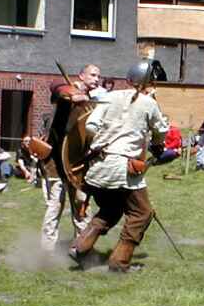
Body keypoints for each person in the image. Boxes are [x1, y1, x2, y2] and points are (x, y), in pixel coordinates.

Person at [69, 60, 169, 272]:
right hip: (122, 168)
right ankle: (119, 263)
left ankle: (80, 248)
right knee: (142, 213)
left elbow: (91, 126)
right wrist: (157, 144)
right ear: (147, 82)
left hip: (98, 166)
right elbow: (161, 131)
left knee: (111, 209)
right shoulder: (148, 103)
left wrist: (106, 140)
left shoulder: (108, 96)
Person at [39, 64, 101, 251]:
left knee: (82, 206)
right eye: (93, 75)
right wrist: (73, 93)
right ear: (81, 75)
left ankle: (81, 249)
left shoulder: (90, 101)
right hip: (56, 161)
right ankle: (47, 251)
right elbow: (56, 87)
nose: (96, 79)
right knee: (55, 205)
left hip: (78, 163)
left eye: (98, 76)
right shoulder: (68, 90)